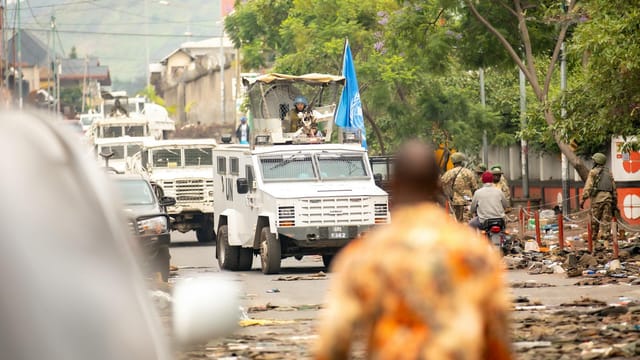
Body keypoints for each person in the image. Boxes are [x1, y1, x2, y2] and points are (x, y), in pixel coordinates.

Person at [314, 139, 512, 360]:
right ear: (435, 187)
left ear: (395, 185)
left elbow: (333, 342)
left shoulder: (365, 255)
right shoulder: (474, 253)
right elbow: (496, 337)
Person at [581, 152, 617, 247]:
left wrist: (583, 199)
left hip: (597, 200)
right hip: (608, 200)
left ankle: (593, 243)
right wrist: (615, 202)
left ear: (597, 162)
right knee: (606, 222)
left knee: (595, 222)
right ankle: (606, 244)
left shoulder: (593, 172)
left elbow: (588, 187)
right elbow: (614, 188)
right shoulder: (609, 173)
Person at [441, 152, 478, 222]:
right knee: (468, 221)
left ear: (453, 163)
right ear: (462, 161)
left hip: (455, 202)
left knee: (458, 221)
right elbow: (475, 188)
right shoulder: (468, 172)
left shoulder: (449, 173)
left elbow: (441, 185)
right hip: (467, 201)